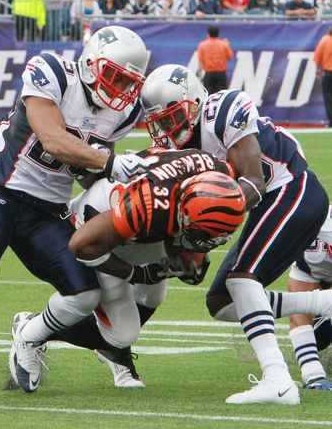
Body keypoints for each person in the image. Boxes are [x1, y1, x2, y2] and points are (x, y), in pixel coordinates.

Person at [140, 64, 331, 404]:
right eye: (159, 123)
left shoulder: (221, 111)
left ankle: (278, 381)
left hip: (292, 189)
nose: (166, 130)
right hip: (268, 204)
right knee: (222, 301)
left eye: (172, 118)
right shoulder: (177, 155)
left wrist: (207, 225)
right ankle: (323, 303)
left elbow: (254, 182)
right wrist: (187, 243)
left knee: (243, 280)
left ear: (194, 102)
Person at [0, 25, 151, 394]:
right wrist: (107, 162)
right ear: (91, 65)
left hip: (48, 212)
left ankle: (28, 336)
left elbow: (83, 170)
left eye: (129, 83)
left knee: (85, 294)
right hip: (2, 194)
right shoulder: (53, 73)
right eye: (115, 77)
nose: (121, 90)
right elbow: (53, 138)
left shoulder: (122, 113)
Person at [11, 147, 247, 392]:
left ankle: (113, 353)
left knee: (152, 295)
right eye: (200, 233)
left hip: (146, 224)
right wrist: (134, 273)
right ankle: (32, 330)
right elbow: (81, 246)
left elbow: (198, 227)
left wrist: (192, 254)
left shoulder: (219, 175)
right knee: (121, 334)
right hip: (98, 227)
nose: (203, 243)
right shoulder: (147, 207)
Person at [288, 207, 332, 391]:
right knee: (299, 311)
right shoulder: (312, 245)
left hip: (317, 255)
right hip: (311, 261)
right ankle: (313, 375)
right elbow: (298, 311)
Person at [197, 25, 233, 95]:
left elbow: (201, 61)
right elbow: (230, 57)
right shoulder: (224, 45)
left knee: (208, 95)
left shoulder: (202, 45)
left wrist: (200, 76)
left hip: (209, 74)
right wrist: (228, 45)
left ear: (208, 34)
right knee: (222, 95)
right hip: (221, 74)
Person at [314, 26, 332, 128]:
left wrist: (318, 69)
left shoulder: (325, 40)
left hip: (328, 73)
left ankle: (331, 121)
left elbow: (318, 56)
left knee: (329, 98)